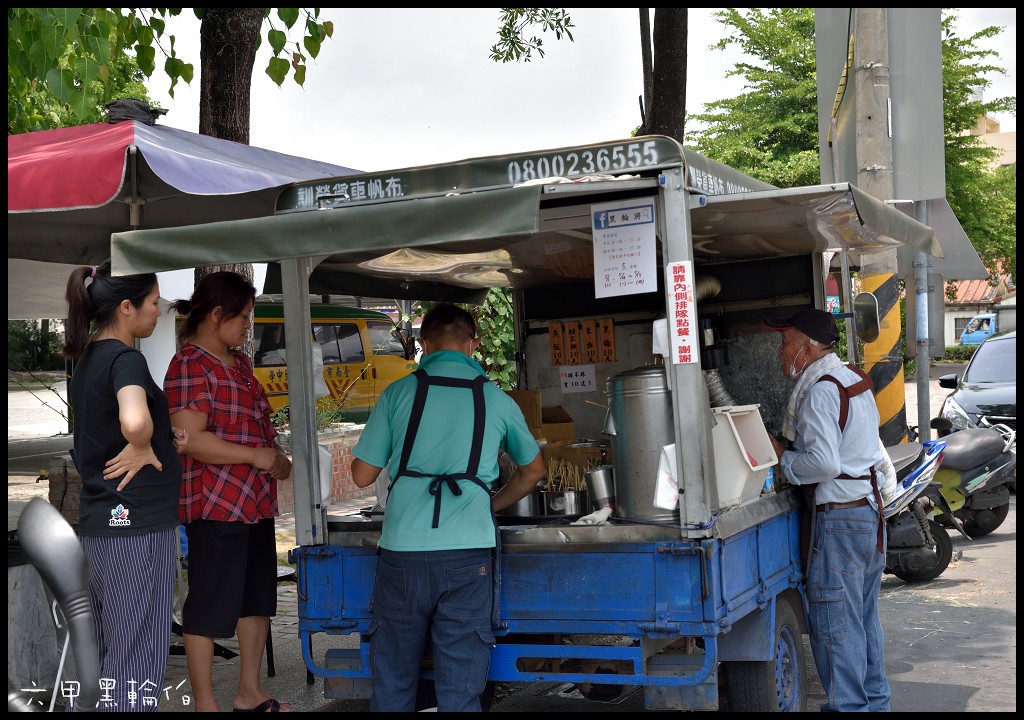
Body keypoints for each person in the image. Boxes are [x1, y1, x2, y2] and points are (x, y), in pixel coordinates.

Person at [350, 303, 546, 712]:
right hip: (467, 556)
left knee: (393, 676)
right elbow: (534, 470)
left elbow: (362, 476)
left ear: (422, 346)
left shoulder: (398, 394)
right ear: (473, 345)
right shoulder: (496, 399)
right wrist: (491, 503)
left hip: (402, 552)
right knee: (461, 685)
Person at [164, 272, 294, 713]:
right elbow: (190, 439)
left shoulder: (238, 362)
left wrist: (274, 457)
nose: (246, 326)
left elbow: (258, 423)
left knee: (256, 598)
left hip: (254, 503)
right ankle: (206, 703)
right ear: (216, 315)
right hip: (216, 504)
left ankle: (249, 692)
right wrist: (253, 457)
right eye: (242, 318)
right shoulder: (189, 364)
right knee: (209, 603)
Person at [62, 259, 187, 711]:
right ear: (128, 307)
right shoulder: (126, 358)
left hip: (102, 526)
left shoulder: (88, 361)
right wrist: (142, 438)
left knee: (106, 660)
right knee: (136, 661)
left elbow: (107, 429)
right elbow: (132, 422)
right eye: (155, 303)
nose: (160, 311)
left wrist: (159, 437)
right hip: (134, 528)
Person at [763, 307, 891, 712]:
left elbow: (823, 463)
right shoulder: (853, 379)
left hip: (841, 519)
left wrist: (782, 459)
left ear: (806, 347)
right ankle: (876, 705)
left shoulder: (820, 391)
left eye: (784, 343)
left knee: (836, 630)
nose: (781, 353)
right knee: (863, 624)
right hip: (868, 513)